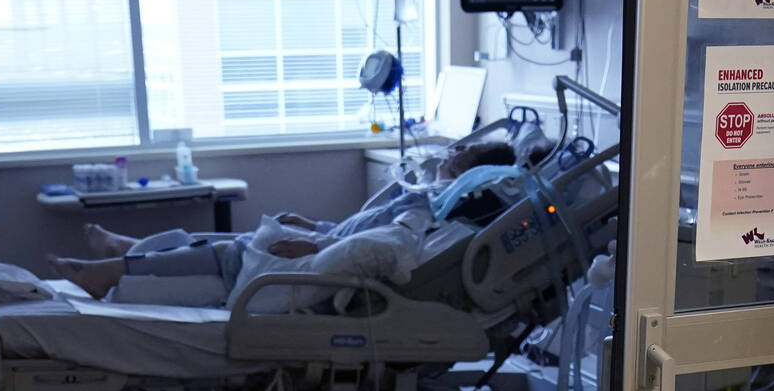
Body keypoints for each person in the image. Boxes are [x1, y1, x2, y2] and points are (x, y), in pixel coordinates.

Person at [48, 128, 551, 308]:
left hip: (327, 276)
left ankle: (117, 268)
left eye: (459, 154)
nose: (447, 154)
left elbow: (388, 249)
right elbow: (362, 230)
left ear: (473, 174)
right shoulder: (422, 198)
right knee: (233, 245)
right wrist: (315, 228)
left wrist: (316, 249)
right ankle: (125, 256)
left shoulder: (430, 214)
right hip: (323, 246)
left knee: (228, 254)